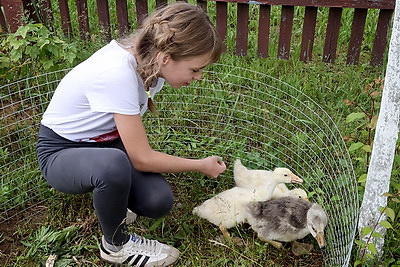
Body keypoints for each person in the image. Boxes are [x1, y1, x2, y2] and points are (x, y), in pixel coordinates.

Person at [36, 2, 226, 266]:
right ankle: (115, 245)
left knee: (157, 201)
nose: (199, 76)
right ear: (166, 57)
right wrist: (199, 165)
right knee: (113, 167)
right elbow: (141, 159)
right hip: (61, 152)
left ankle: (110, 200)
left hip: (106, 144)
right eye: (195, 69)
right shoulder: (117, 73)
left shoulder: (152, 67)